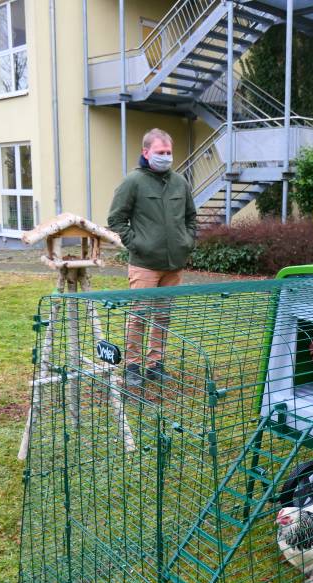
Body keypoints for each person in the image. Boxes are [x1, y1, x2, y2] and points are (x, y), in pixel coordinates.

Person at [108, 128, 197, 388]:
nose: (166, 157)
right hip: (145, 265)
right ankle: (133, 365)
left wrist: (187, 242)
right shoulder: (133, 181)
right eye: (160, 152)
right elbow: (115, 218)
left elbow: (191, 217)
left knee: (163, 316)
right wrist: (138, 244)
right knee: (140, 315)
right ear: (146, 153)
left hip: (174, 265)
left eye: (169, 152)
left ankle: (155, 364)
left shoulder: (180, 182)